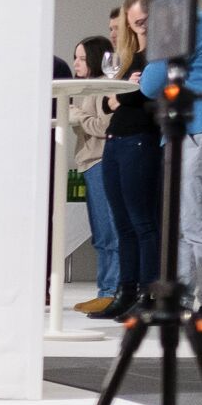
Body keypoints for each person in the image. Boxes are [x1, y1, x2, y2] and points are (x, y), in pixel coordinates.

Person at [128, 0, 202, 328]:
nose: (142, 32)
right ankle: (183, 298)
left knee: (196, 218)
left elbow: (150, 84)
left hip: (201, 123)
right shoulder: (194, 21)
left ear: (157, 10)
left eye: (142, 24)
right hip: (193, 125)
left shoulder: (180, 22)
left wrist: (147, 50)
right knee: (184, 219)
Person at [89, 0, 166, 321]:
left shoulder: (163, 56)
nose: (137, 28)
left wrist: (126, 94)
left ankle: (148, 294)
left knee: (142, 222)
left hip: (140, 140)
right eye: (133, 23)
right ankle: (126, 290)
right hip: (116, 140)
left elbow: (145, 96)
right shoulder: (132, 57)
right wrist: (125, 93)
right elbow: (113, 98)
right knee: (124, 224)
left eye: (142, 22)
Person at [67, 35, 121, 315]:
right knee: (101, 232)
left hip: (101, 161)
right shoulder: (84, 89)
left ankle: (110, 291)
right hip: (89, 163)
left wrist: (78, 118)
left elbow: (104, 126)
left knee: (109, 232)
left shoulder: (103, 89)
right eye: (75, 57)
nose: (76, 63)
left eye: (82, 58)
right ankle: (106, 289)